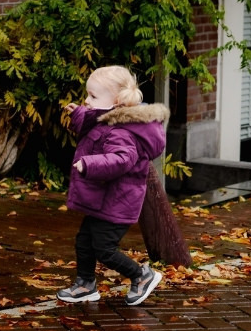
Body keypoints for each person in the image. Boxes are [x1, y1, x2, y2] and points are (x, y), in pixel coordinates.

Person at [56, 65, 169, 307]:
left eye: (93, 96)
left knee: (104, 248)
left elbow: (122, 159)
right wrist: (79, 112)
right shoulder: (109, 118)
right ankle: (86, 285)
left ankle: (142, 276)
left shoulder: (121, 132)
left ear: (116, 101)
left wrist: (89, 163)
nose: (87, 100)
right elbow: (93, 125)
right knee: (84, 240)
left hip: (119, 201)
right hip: (105, 199)